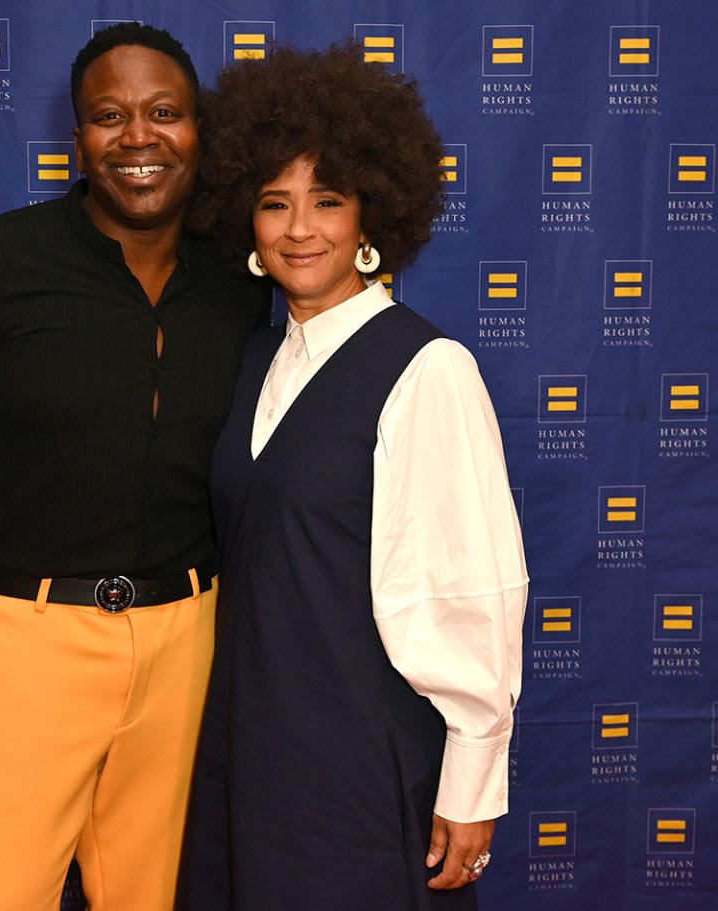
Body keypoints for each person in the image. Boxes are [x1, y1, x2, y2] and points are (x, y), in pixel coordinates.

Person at [0, 23, 266, 911]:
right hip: (28, 643)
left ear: (199, 129)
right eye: (109, 116)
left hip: (186, 644)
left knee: (152, 897)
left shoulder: (243, 285)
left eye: (164, 112)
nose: (139, 137)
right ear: (78, 140)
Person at [175, 45, 528, 909]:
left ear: (372, 217)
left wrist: (472, 781)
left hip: (359, 760)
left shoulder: (428, 369)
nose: (300, 229)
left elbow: (475, 590)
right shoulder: (257, 357)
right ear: (245, 224)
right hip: (245, 746)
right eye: (274, 204)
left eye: (327, 201)